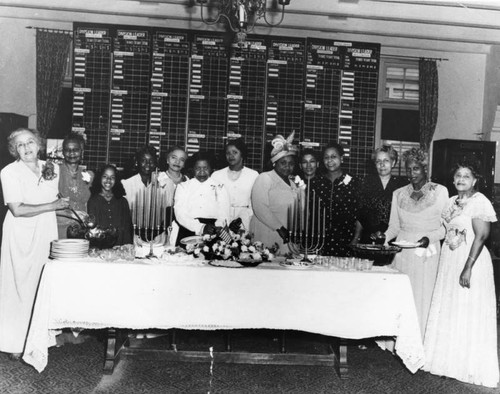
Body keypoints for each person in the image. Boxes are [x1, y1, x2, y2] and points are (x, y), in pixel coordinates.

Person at [423, 161, 499, 387]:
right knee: (452, 308)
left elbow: (481, 236)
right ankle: (449, 363)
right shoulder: (449, 202)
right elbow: (445, 230)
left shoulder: (480, 202)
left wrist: (468, 267)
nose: (461, 179)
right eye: (458, 175)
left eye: (466, 176)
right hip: (450, 258)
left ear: (474, 180)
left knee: (467, 308)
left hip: (470, 260)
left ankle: (468, 365)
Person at [0, 128, 70, 360]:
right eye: (20, 145)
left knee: (41, 283)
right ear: (14, 150)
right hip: (20, 233)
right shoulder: (9, 172)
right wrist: (53, 206)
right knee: (19, 284)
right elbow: (17, 209)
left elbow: (52, 197)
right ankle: (15, 343)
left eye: (30, 142)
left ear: (39, 144)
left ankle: (40, 339)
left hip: (45, 230)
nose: (26, 148)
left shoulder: (52, 168)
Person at [383, 147, 448, 338]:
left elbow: (446, 227)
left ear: (425, 168)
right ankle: (402, 340)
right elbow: (394, 227)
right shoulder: (398, 194)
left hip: (427, 251)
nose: (412, 174)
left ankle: (423, 341)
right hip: (403, 251)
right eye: (408, 169)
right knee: (404, 296)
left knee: (424, 295)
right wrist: (382, 239)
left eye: (416, 169)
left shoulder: (441, 191)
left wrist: (430, 239)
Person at [250, 132, 302, 253]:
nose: (287, 167)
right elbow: (260, 208)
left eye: (291, 164)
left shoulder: (294, 183)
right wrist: (280, 228)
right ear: (274, 163)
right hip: (269, 233)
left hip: (288, 237)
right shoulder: (265, 178)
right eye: (283, 163)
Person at [313, 142, 361, 257]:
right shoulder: (317, 183)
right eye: (326, 157)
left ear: (342, 158)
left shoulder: (354, 182)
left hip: (347, 240)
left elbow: (360, 214)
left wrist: (356, 238)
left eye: (334, 156)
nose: (330, 160)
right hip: (321, 240)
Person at [174, 152, 231, 244]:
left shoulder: (220, 187)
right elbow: (180, 214)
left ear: (211, 169)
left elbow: (224, 212)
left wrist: (217, 226)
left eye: (205, 168)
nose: (202, 172)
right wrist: (200, 227)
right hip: (189, 229)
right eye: (198, 168)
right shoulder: (183, 187)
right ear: (192, 169)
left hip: (214, 230)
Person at [358, 145, 408, 244]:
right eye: (378, 161)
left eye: (386, 161)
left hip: (394, 238)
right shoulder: (365, 182)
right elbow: (360, 214)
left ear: (393, 163)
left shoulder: (402, 185)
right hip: (369, 237)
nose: (382, 165)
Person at [212, 139, 259, 231]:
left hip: (245, 220)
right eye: (228, 153)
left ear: (242, 154)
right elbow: (213, 201)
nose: (231, 156)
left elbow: (255, 203)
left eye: (235, 152)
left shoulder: (253, 175)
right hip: (222, 219)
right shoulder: (216, 175)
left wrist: (241, 219)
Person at [56, 132, 94, 238]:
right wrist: (71, 215)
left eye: (75, 149)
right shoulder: (55, 173)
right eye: (67, 150)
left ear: (82, 151)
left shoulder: (88, 175)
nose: (71, 153)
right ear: (63, 152)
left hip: (81, 229)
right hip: (60, 228)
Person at [87, 164, 133, 246]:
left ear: (116, 180)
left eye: (112, 177)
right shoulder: (93, 201)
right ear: (99, 178)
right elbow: (92, 230)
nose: (108, 180)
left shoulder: (123, 202)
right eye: (105, 176)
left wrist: (127, 247)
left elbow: (127, 229)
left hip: (119, 248)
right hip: (100, 249)